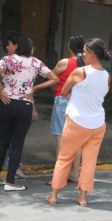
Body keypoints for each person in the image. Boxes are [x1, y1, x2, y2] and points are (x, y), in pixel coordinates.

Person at [47, 38, 111, 206]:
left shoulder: (80, 72)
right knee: (89, 162)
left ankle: (54, 195)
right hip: (97, 124)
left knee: (64, 158)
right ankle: (82, 198)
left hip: (76, 121)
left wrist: (71, 96)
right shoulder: (107, 76)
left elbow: (64, 90)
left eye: (84, 51)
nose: (82, 54)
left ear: (91, 53)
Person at [0, 34, 59, 191]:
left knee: (3, 141)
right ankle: (10, 182)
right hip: (24, 105)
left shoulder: (7, 59)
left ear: (18, 46)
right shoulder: (36, 62)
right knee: (17, 144)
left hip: (6, 103)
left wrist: (0, 92)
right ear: (29, 47)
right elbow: (54, 78)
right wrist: (35, 88)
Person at [47, 34, 85, 185]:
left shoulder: (65, 63)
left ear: (69, 47)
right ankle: (75, 174)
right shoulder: (87, 64)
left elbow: (50, 76)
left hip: (63, 101)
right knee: (77, 140)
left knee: (61, 139)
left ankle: (59, 176)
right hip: (80, 103)